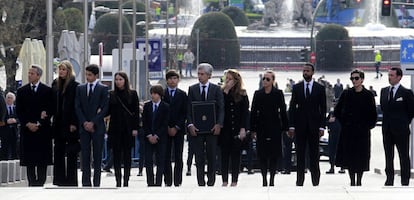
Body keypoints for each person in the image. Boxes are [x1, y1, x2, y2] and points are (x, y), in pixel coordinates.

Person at [334, 69, 377, 186]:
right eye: (352, 78)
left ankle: (359, 180)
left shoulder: (368, 95)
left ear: (362, 79)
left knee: (361, 155)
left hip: (362, 131)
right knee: (349, 156)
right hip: (348, 131)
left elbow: (373, 114)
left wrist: (368, 126)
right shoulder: (346, 93)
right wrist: (344, 122)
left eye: (356, 78)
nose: (354, 81)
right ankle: (352, 180)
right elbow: (337, 111)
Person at [288, 63, 326, 186]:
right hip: (300, 127)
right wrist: (292, 126)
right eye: (304, 71)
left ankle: (315, 181)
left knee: (314, 155)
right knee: (300, 154)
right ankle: (300, 181)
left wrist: (322, 126)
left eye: (308, 71)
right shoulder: (297, 87)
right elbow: (292, 107)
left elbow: (323, 108)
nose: (305, 73)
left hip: (314, 127)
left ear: (312, 72)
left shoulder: (319, 88)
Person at [187, 63, 224, 186]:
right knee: (199, 156)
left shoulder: (216, 89)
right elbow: (189, 109)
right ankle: (200, 181)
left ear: (209, 75)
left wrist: (219, 124)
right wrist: (190, 124)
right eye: (198, 74)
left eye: (202, 74)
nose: (199, 76)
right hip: (197, 129)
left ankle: (211, 180)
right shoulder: (192, 89)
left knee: (212, 154)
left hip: (212, 129)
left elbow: (221, 108)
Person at [16, 65, 53, 186]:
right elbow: (19, 111)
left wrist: (39, 122)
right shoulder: (22, 91)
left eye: (32, 73)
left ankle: (40, 182)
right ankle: (31, 182)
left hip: (42, 130)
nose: (29, 75)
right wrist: (27, 123)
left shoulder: (47, 91)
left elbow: (50, 109)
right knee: (29, 159)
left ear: (38, 75)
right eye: (29, 73)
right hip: (27, 129)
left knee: (42, 159)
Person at [251, 70, 288, 187]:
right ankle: (264, 179)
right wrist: (252, 129)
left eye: (268, 79)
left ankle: (272, 178)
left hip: (275, 127)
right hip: (261, 126)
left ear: (272, 81)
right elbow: (253, 112)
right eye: (264, 78)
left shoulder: (278, 93)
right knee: (262, 154)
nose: (265, 81)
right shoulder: (258, 93)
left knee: (274, 154)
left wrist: (286, 127)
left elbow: (282, 111)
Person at [75, 64, 109, 187]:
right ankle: (85, 181)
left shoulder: (103, 89)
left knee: (98, 154)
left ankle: (97, 181)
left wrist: (93, 122)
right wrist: (84, 122)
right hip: (84, 127)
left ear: (96, 75)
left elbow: (105, 108)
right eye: (86, 74)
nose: (87, 77)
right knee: (85, 154)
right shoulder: (80, 88)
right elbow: (77, 107)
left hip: (97, 126)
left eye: (90, 75)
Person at [380, 67, 414, 186]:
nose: (390, 78)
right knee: (388, 155)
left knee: (403, 155)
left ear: (399, 77)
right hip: (387, 129)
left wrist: (404, 122)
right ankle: (389, 179)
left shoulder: (406, 93)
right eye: (389, 75)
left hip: (401, 130)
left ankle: (405, 180)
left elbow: (411, 111)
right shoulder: (384, 91)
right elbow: (384, 109)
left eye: (392, 75)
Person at [107, 72, 140, 187]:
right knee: (116, 155)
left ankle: (126, 180)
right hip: (115, 128)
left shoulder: (132, 94)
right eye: (116, 79)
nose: (118, 82)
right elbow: (108, 111)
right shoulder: (111, 94)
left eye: (120, 79)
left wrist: (135, 128)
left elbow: (136, 112)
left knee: (127, 155)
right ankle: (118, 180)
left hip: (128, 128)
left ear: (125, 80)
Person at [51, 60, 80, 186]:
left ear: (68, 71)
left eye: (64, 69)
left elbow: (75, 105)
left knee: (71, 152)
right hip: (58, 122)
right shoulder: (55, 84)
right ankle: (59, 179)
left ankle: (71, 179)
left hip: (70, 122)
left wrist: (74, 122)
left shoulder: (74, 85)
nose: (61, 72)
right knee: (58, 150)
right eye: (60, 69)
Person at [219, 69, 249, 187]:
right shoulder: (221, 92)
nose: (228, 81)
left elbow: (245, 113)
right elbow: (221, 107)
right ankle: (224, 180)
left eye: (230, 79)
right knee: (224, 155)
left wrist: (243, 128)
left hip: (236, 127)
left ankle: (234, 180)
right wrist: (225, 90)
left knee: (236, 155)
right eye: (226, 79)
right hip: (225, 128)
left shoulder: (242, 93)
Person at [163, 70, 188, 187]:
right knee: (166, 155)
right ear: (166, 80)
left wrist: (177, 127)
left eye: (175, 78)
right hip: (165, 129)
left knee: (178, 155)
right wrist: (167, 127)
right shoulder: (162, 94)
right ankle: (168, 180)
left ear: (178, 80)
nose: (172, 81)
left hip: (178, 129)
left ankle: (178, 180)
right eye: (170, 78)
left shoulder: (182, 94)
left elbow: (185, 113)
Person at [142, 84, 169, 186]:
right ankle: (150, 182)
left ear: (160, 95)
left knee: (160, 160)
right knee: (148, 160)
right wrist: (149, 135)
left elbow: (165, 123)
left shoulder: (165, 107)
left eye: (155, 94)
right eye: (152, 93)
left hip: (160, 138)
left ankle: (158, 182)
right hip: (148, 137)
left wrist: (157, 135)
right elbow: (145, 122)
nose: (153, 96)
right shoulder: (147, 106)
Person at [325, 108, 343, 174]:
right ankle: (332, 167)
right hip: (332, 134)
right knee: (331, 151)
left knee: (340, 150)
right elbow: (325, 122)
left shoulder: (342, 112)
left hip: (340, 134)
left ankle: (342, 167)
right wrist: (329, 121)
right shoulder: (331, 113)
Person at [1, 92, 19, 160]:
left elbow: (20, 118)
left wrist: (15, 120)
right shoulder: (2, 108)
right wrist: (6, 122)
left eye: (11, 98)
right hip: (5, 133)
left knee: (15, 151)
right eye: (8, 98)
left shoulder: (16, 108)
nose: (9, 99)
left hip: (14, 132)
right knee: (4, 150)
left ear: (13, 99)